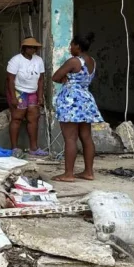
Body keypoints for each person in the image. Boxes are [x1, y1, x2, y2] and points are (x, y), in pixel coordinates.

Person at [51, 33, 103, 182]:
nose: (70, 48)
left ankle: (68, 174)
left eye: (72, 45)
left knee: (70, 138)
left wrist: (65, 78)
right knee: (86, 137)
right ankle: (88, 172)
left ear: (78, 46)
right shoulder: (92, 61)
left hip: (71, 100)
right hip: (86, 100)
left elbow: (55, 77)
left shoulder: (74, 61)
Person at [6, 37, 47, 156]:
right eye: (29, 47)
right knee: (17, 118)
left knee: (33, 119)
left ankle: (33, 148)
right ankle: (14, 148)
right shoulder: (15, 60)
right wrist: (13, 97)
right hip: (19, 91)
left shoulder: (38, 60)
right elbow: (10, 80)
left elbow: (41, 80)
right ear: (24, 48)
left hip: (32, 92)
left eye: (34, 47)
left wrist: (40, 96)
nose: (32, 49)